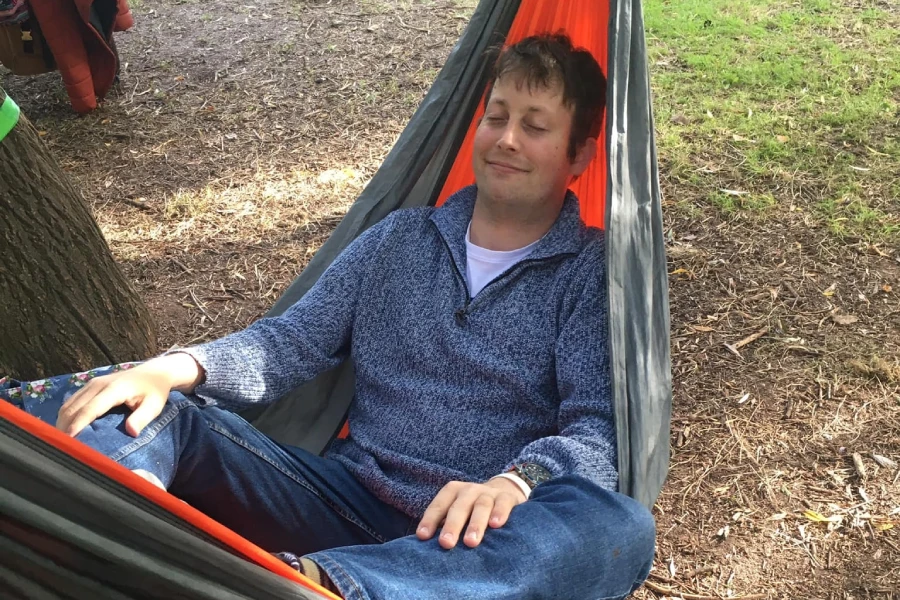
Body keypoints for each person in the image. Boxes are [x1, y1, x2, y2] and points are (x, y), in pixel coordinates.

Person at [4, 33, 655, 600]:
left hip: (479, 541)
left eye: (535, 126)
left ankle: (334, 587)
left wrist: (513, 484)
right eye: (496, 116)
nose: (507, 139)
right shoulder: (399, 241)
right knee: (151, 403)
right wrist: (178, 367)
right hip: (339, 503)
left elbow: (596, 432)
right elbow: (288, 343)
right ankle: (111, 531)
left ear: (579, 155)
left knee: (621, 529)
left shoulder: (587, 274)